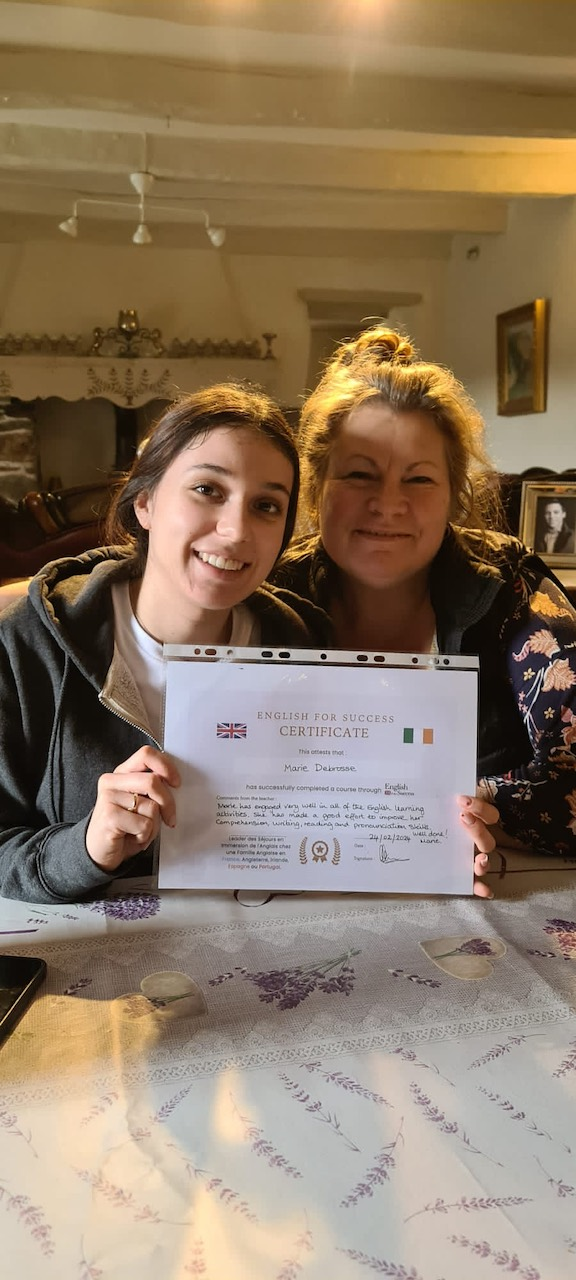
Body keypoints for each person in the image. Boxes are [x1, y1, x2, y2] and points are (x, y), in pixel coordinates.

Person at [0, 383, 329, 903]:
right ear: (145, 502)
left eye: (266, 505)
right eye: (208, 489)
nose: (235, 530)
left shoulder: (312, 651)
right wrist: (85, 847)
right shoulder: (29, 642)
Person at [274, 326, 576, 872]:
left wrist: (468, 815)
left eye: (418, 480)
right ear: (316, 488)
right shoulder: (271, 595)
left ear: (453, 495)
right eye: (360, 474)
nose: (388, 504)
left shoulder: (509, 586)